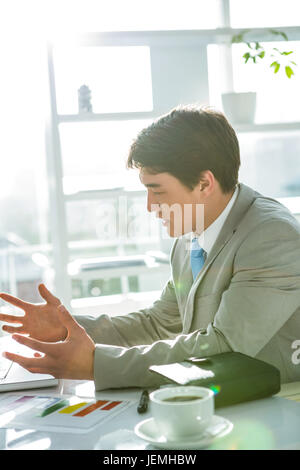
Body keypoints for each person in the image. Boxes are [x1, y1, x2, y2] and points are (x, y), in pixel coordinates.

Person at [1, 105, 300, 389]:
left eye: (157, 190)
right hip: (224, 395)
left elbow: (225, 345)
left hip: (279, 402)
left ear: (204, 184)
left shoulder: (272, 236)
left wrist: (96, 364)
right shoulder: (190, 238)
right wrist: (68, 328)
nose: (149, 206)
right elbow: (158, 324)